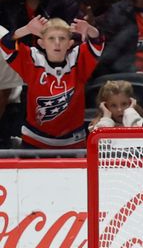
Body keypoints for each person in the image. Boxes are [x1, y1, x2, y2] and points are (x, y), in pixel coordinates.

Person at [0, 15, 102, 149]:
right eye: (51, 38)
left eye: (62, 38)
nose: (57, 43)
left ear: (70, 43)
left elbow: (98, 41)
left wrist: (89, 29)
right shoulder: (33, 60)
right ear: (42, 43)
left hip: (73, 141)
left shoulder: (78, 60)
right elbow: (5, 45)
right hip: (34, 141)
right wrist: (27, 29)